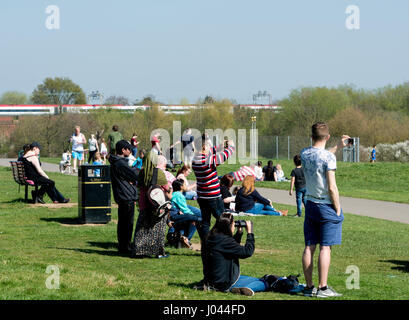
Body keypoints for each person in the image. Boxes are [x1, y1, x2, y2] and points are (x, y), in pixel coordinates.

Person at [300, 122, 349, 298]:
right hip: (326, 204)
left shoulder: (304, 153)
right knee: (325, 247)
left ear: (311, 136)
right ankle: (322, 287)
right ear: (327, 137)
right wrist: (338, 207)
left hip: (310, 203)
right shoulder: (329, 158)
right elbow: (332, 187)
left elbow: (322, 156)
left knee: (309, 246)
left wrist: (338, 147)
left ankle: (309, 286)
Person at [201, 212, 272, 296]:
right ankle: (244, 288)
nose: (234, 226)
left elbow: (230, 249)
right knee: (263, 282)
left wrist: (239, 233)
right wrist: (250, 233)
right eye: (233, 223)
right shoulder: (225, 241)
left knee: (256, 279)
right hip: (225, 283)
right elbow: (247, 252)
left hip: (210, 281)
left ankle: (238, 288)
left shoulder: (210, 238)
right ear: (228, 226)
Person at [191, 134, 235, 242]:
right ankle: (226, 242)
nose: (210, 147)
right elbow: (223, 156)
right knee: (224, 219)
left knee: (206, 222)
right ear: (204, 147)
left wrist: (220, 146)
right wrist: (231, 147)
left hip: (202, 196)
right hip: (213, 197)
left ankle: (206, 245)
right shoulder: (207, 161)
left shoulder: (195, 158)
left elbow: (211, 151)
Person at [131, 151, 171, 259]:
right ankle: (158, 252)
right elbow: (167, 188)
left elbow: (138, 187)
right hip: (156, 204)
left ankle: (139, 251)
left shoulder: (142, 173)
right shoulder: (159, 173)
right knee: (158, 230)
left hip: (144, 203)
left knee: (142, 229)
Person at [109, 140, 139, 255]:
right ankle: (125, 247)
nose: (130, 151)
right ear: (123, 150)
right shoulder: (120, 163)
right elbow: (135, 175)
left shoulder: (116, 162)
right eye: (128, 149)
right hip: (126, 196)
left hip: (123, 195)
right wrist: (138, 169)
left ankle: (124, 245)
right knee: (127, 224)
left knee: (123, 223)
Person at [167, 179, 202, 248]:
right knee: (197, 219)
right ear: (181, 186)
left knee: (191, 220)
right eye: (185, 184)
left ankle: (180, 239)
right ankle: (186, 238)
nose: (186, 185)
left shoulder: (175, 194)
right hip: (174, 216)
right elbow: (185, 209)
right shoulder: (179, 195)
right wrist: (193, 216)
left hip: (173, 215)